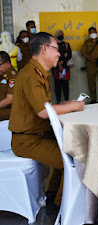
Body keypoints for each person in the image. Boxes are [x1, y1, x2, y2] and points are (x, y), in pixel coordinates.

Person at [8, 32, 85, 207]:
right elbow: (44, 111)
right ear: (44, 49)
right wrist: (74, 106)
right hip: (28, 141)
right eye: (56, 49)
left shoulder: (39, 73)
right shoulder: (30, 75)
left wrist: (67, 103)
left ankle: (52, 195)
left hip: (39, 136)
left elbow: (46, 105)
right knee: (74, 157)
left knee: (70, 148)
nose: (59, 54)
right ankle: (63, 205)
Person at [81, 27, 98, 103]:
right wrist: (90, 58)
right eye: (91, 32)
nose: (93, 33)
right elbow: (83, 53)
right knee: (91, 82)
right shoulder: (87, 42)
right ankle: (93, 99)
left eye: (94, 32)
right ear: (89, 34)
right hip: (90, 64)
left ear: (96, 32)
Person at [53, 30, 72, 104]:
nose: (61, 35)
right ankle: (58, 101)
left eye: (62, 34)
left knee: (65, 85)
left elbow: (69, 55)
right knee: (57, 85)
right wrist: (58, 63)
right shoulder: (53, 45)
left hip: (64, 67)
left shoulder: (66, 44)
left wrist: (62, 63)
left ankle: (66, 101)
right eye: (59, 34)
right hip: (56, 67)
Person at [0, 51, 17, 121]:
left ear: (7, 63)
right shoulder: (2, 75)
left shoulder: (13, 77)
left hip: (10, 110)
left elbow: (9, 99)